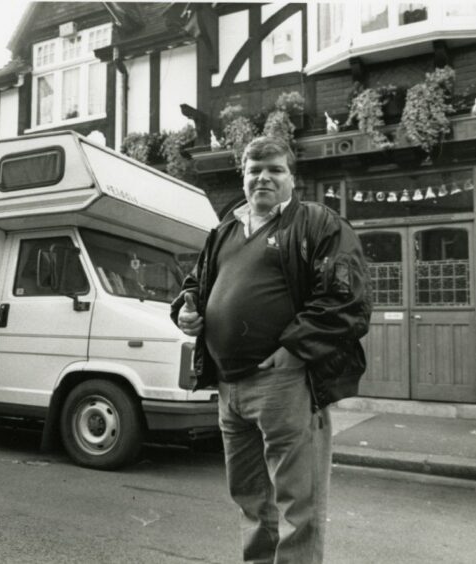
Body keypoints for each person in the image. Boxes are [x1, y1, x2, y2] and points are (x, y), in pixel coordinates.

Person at [170, 136, 371, 564]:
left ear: (292, 178)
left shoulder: (318, 223)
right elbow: (196, 287)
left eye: (275, 169)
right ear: (243, 177)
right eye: (253, 169)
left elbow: (345, 298)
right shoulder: (225, 230)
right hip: (230, 389)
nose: (263, 177)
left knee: (298, 504)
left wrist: (294, 350)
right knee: (250, 500)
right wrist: (187, 313)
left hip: (284, 382)